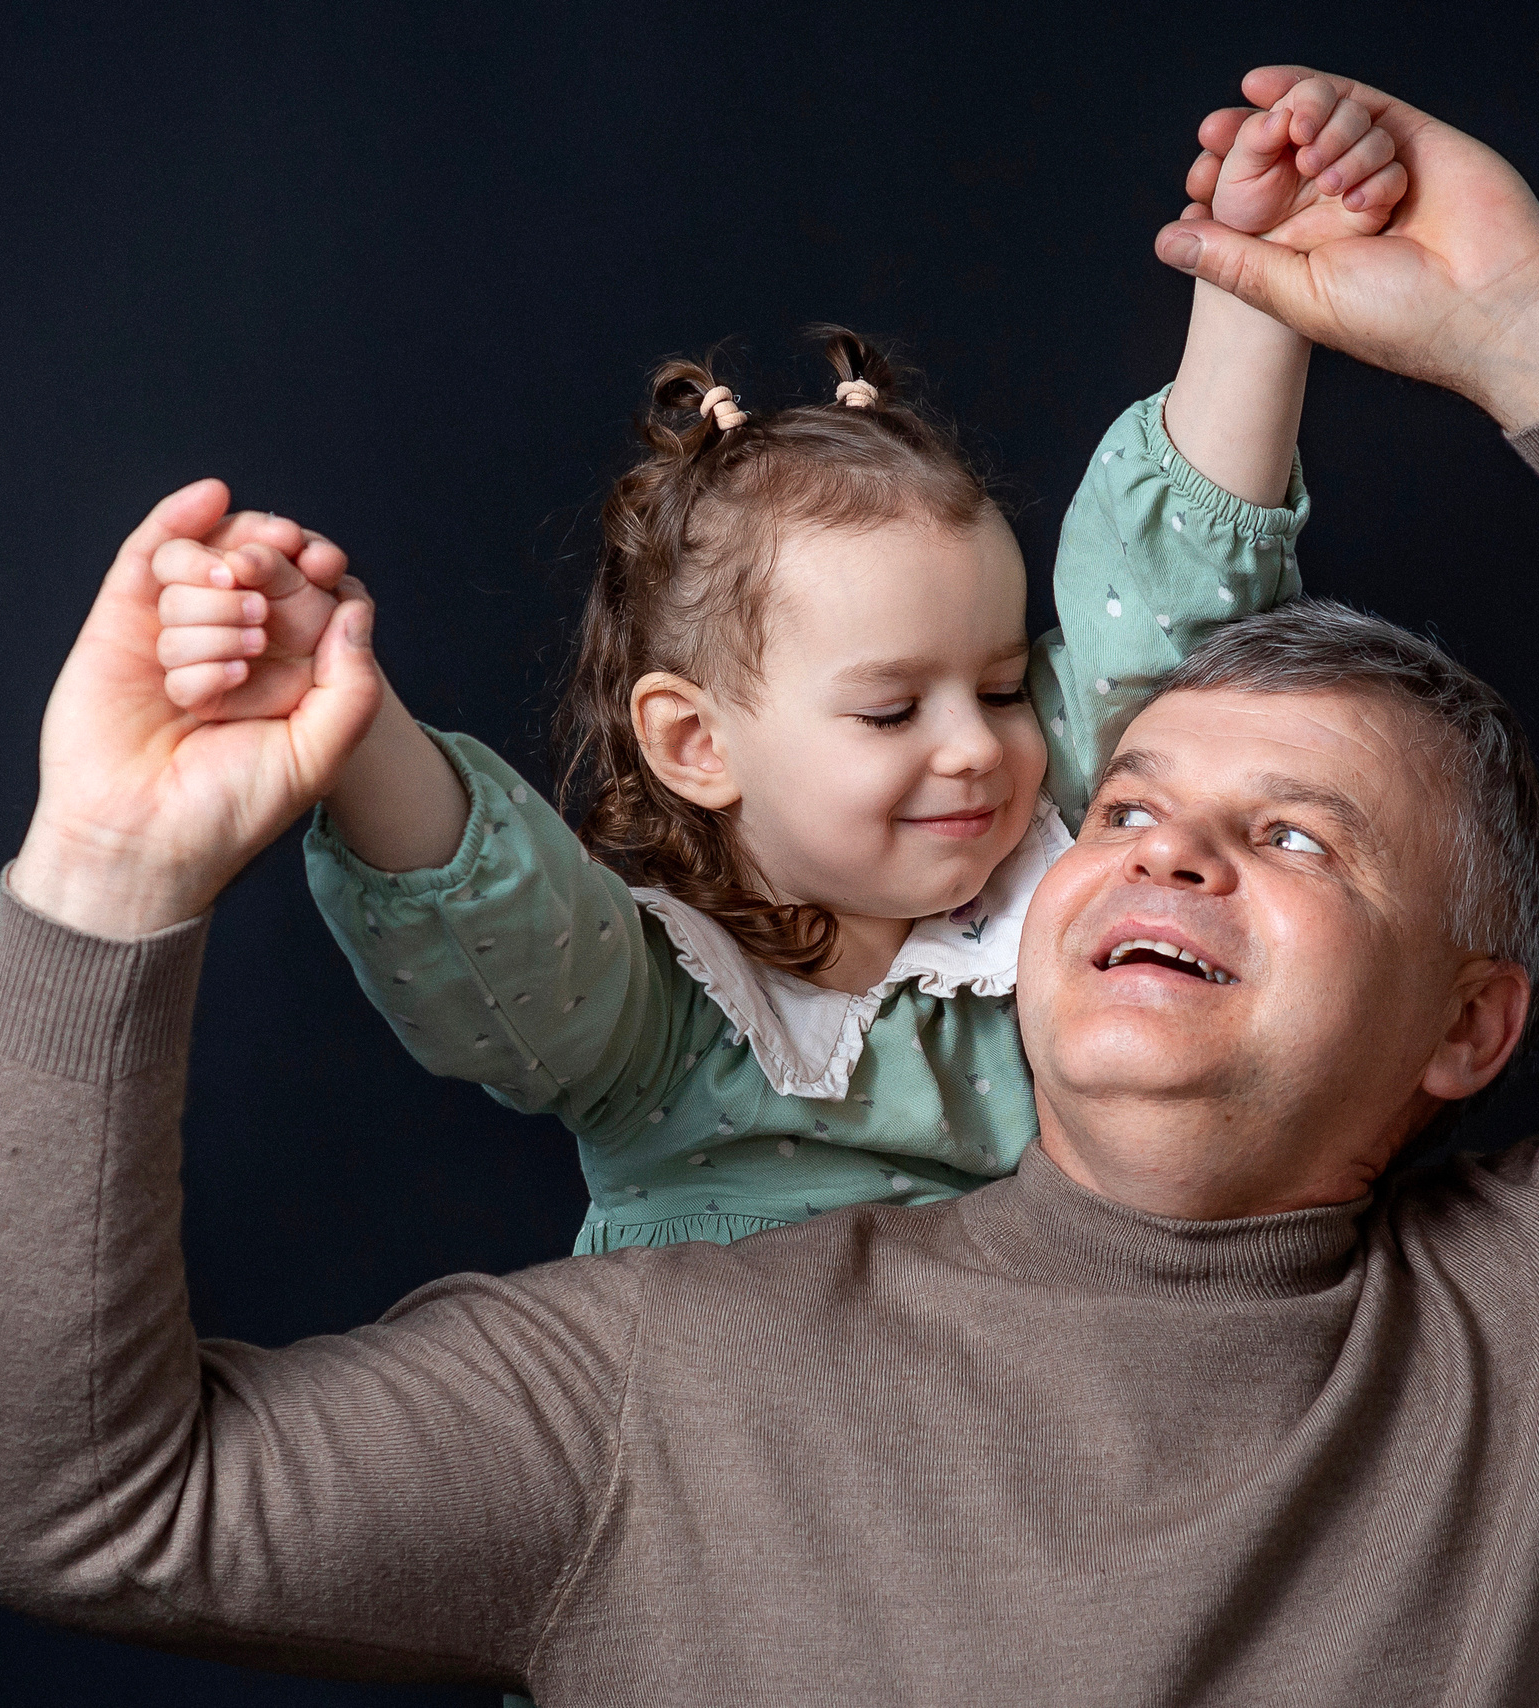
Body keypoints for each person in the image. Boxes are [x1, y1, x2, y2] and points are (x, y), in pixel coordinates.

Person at [0, 64, 1539, 1702]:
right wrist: (107, 873)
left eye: (1294, 834)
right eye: (1131, 809)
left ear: (1467, 1019)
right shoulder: (652, 1382)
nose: (1151, 839)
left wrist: (1523, 314)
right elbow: (62, 1504)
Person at [138, 95, 1406, 1257]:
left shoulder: (1055, 871)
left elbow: (1172, 622)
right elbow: (494, 926)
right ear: (697, 745)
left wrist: (1257, 285)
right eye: (891, 710)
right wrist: (348, 720)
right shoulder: (658, 1017)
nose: (978, 746)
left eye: (1001, 688)